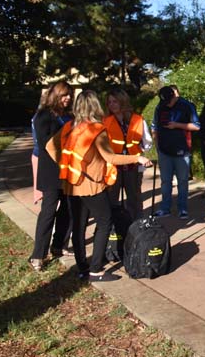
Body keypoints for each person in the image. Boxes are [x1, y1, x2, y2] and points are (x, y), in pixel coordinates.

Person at [46, 90, 152, 282]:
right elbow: (110, 157)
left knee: (79, 226)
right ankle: (96, 269)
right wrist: (138, 157)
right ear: (95, 106)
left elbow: (50, 147)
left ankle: (82, 268)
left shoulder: (70, 126)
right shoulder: (97, 129)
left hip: (71, 184)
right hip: (91, 185)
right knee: (105, 221)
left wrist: (66, 165)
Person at [28, 81, 74, 272]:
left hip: (69, 169)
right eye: (65, 95)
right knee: (48, 212)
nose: (68, 98)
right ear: (55, 95)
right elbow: (46, 145)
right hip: (51, 170)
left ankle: (58, 245)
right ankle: (38, 254)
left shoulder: (70, 116)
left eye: (70, 95)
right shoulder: (43, 116)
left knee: (68, 209)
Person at [103, 88, 153, 220]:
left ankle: (136, 227)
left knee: (134, 199)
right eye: (109, 102)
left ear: (123, 102)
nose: (112, 105)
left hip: (133, 166)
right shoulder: (105, 121)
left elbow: (147, 142)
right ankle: (113, 230)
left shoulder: (138, 120)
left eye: (115, 101)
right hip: (113, 166)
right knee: (112, 199)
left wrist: (139, 151)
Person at [152, 85, 201, 219]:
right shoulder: (160, 106)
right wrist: (157, 146)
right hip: (164, 150)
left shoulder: (186, 106)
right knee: (165, 181)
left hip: (182, 149)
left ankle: (182, 208)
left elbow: (197, 126)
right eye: (164, 101)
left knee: (183, 181)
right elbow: (155, 126)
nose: (167, 103)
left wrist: (177, 125)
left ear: (174, 96)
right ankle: (165, 208)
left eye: (169, 100)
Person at [169, 84, 197, 180]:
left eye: (175, 92)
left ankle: (184, 174)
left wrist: (177, 125)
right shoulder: (164, 106)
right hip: (171, 139)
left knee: (184, 156)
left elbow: (195, 124)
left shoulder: (186, 105)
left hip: (184, 136)